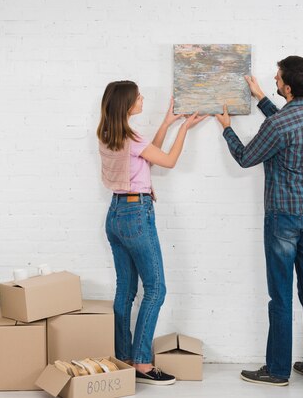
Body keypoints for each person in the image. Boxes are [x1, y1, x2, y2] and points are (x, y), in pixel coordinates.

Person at [215, 56, 303, 386]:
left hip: (284, 218)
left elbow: (246, 157)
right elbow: (289, 125)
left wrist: (227, 129)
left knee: (280, 296)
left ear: (289, 87)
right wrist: (262, 97)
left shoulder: (278, 126)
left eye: (277, 79)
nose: (275, 80)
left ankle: (278, 370)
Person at [97, 80, 206, 386]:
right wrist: (185, 129)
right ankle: (143, 363)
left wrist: (168, 122)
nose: (142, 98)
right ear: (126, 104)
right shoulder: (130, 137)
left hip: (115, 214)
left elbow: (148, 153)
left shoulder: (109, 135)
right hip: (136, 216)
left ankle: (124, 358)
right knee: (156, 288)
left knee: (126, 290)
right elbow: (167, 160)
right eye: (138, 96)